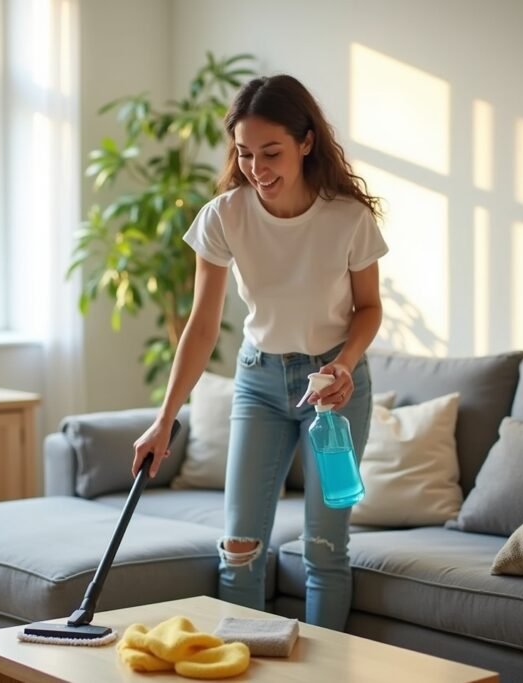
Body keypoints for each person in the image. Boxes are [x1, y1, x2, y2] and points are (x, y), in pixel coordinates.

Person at [132, 74, 388, 630]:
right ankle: (240, 662)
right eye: (245, 153)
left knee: (324, 548)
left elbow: (369, 308)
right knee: (240, 548)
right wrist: (164, 418)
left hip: (334, 391)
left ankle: (324, 668)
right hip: (259, 382)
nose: (256, 167)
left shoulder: (348, 218)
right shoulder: (225, 215)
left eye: (271, 152)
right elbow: (202, 325)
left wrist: (345, 364)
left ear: (306, 142)